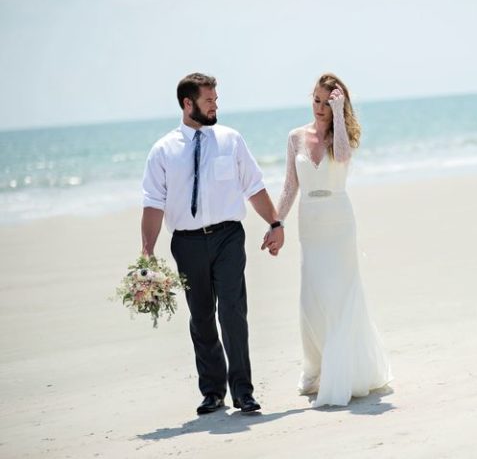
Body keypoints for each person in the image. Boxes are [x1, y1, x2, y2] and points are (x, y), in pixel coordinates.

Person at [141, 73, 284, 415]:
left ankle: (243, 391)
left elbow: (254, 186)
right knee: (202, 317)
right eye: (208, 100)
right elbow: (153, 203)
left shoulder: (231, 140)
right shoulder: (163, 150)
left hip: (228, 238)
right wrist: (146, 255)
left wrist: (275, 223)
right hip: (187, 243)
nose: (215, 105)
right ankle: (213, 392)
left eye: (216, 99)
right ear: (188, 104)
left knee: (233, 312)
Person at [272, 72, 392, 407]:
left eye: (328, 102)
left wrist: (339, 116)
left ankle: (344, 370)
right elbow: (289, 186)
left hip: (339, 221)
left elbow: (340, 157)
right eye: (317, 100)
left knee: (340, 293)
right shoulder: (295, 137)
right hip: (309, 222)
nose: (320, 108)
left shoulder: (345, 134)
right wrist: (275, 221)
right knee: (312, 297)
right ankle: (316, 369)